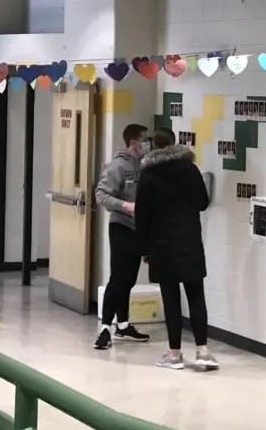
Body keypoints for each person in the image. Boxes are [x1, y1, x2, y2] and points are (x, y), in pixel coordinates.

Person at [135, 129, 218, 371]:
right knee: (196, 296)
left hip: (161, 246)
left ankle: (174, 355)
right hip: (189, 242)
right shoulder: (190, 170)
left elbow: (142, 215)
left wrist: (143, 249)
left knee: (171, 301)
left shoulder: (149, 175)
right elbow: (202, 203)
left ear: (154, 146)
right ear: (175, 143)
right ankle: (202, 351)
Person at [93, 123, 151, 350]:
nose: (147, 144)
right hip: (121, 227)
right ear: (134, 142)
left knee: (129, 279)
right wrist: (125, 206)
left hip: (137, 229)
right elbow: (101, 194)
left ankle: (123, 324)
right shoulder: (117, 166)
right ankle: (105, 328)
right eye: (144, 139)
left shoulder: (142, 166)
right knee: (118, 278)